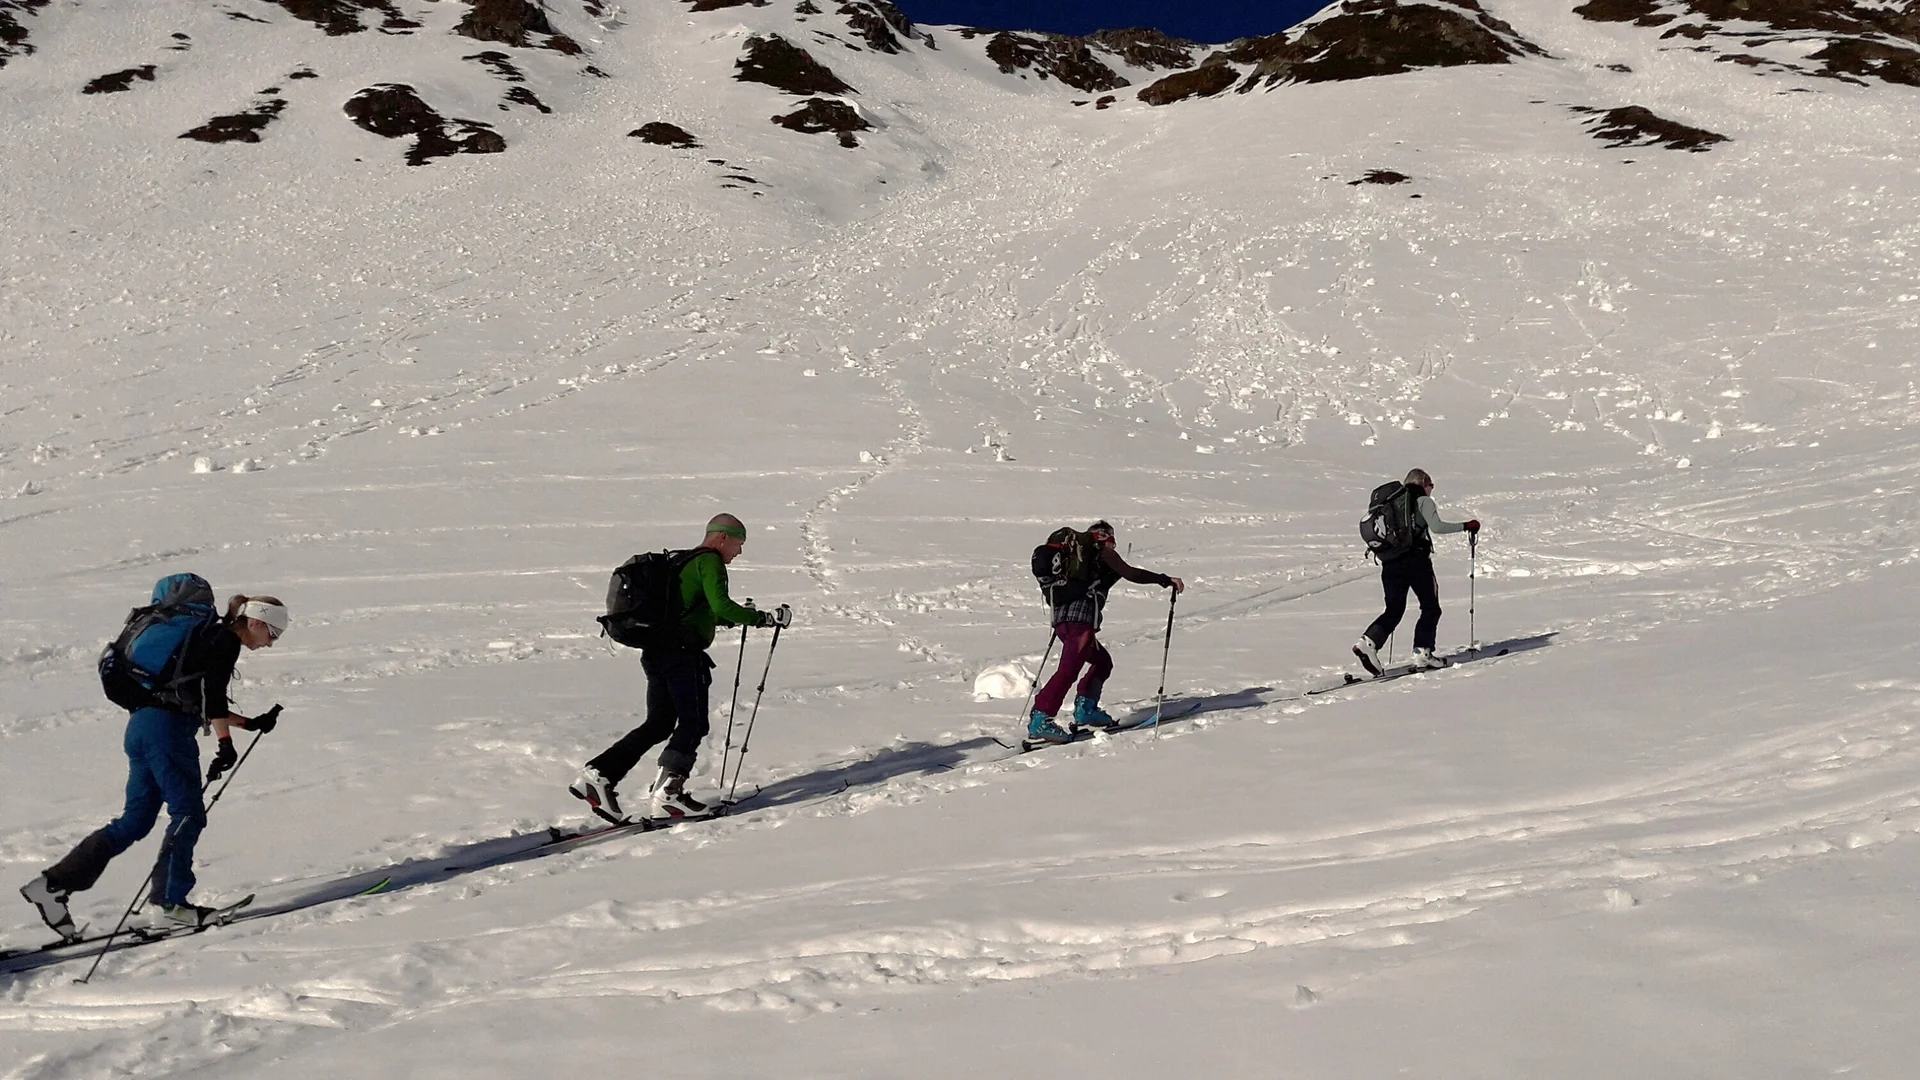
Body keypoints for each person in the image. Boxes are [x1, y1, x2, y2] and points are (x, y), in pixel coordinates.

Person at [19, 593, 288, 940]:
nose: (271, 644)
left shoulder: (205, 638)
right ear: (256, 621)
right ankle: (170, 905)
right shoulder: (223, 640)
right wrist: (224, 742)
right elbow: (213, 695)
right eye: (273, 635)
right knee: (188, 813)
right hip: (168, 734)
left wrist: (247, 724)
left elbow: (197, 699)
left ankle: (52, 885)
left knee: (135, 821)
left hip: (142, 728)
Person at [570, 513, 792, 822]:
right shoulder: (709, 562)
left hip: (657, 651)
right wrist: (765, 619)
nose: (738, 552)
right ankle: (668, 794)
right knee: (694, 722)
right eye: (738, 544)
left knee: (660, 723)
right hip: (682, 655)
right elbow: (721, 606)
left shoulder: (684, 562)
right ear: (723, 537)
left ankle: (598, 776)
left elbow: (701, 613)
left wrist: (735, 618)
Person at [1028, 520, 1184, 743]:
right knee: (1069, 669)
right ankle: (1041, 718)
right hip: (1079, 621)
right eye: (1112, 541)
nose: (1113, 546)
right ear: (1105, 537)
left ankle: (1086, 709)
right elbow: (1131, 573)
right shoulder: (1101, 552)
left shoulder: (1081, 561)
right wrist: (1164, 580)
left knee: (1102, 662)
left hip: (1063, 619)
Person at [1353, 468, 1478, 675]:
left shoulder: (1393, 505)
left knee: (1394, 609)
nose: (1431, 489)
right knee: (1431, 606)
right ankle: (1423, 652)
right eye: (1430, 485)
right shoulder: (1422, 501)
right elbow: (1437, 527)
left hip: (1390, 562)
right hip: (1416, 561)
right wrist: (1466, 526)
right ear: (1423, 483)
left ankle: (1368, 642)